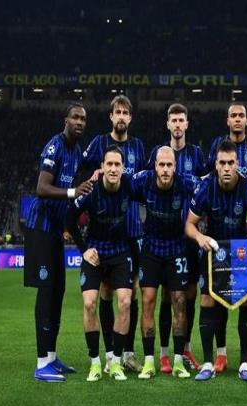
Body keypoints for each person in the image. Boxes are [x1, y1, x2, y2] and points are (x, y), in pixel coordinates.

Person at [24, 103, 93, 382]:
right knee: (46, 292)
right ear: (66, 120)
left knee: (58, 291)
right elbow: (42, 188)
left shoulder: (77, 151)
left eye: (83, 119)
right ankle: (42, 364)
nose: (79, 122)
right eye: (75, 117)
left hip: (54, 230)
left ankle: (52, 357)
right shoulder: (55, 146)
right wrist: (73, 192)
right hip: (40, 227)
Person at [185, 140, 247, 381]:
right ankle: (208, 364)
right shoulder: (205, 188)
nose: (227, 168)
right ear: (216, 165)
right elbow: (189, 224)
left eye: (231, 163)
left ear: (237, 164)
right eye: (222, 163)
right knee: (207, 301)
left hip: (239, 252)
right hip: (214, 252)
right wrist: (200, 237)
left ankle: (245, 363)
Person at [82, 95, 145, 374]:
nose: (121, 116)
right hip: (107, 232)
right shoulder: (98, 143)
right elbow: (82, 172)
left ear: (130, 118)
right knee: (106, 293)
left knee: (132, 293)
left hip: (133, 230)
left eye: (125, 112)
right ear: (111, 116)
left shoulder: (138, 146)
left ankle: (127, 353)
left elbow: (142, 183)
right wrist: (92, 174)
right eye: (117, 112)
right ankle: (110, 354)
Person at [66, 146, 137, 382]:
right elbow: (69, 218)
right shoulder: (91, 190)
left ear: (123, 168)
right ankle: (95, 362)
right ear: (102, 167)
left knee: (125, 302)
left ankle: (115, 362)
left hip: (120, 251)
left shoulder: (130, 185)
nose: (113, 169)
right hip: (95, 252)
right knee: (89, 304)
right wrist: (84, 250)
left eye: (117, 165)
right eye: (110, 164)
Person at [146, 103, 206, 373]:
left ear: (187, 124)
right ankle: (163, 354)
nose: (178, 124)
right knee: (167, 297)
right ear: (168, 124)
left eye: (182, 120)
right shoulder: (158, 153)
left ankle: (186, 349)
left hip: (189, 239)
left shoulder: (196, 154)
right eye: (174, 120)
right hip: (164, 240)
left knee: (188, 295)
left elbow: (204, 186)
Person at [206, 103, 247, 374]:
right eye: (233, 115)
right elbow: (209, 178)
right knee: (219, 296)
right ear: (227, 120)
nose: (238, 119)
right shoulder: (217, 146)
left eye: (242, 115)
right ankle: (220, 354)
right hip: (221, 238)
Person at [133, 146, 199, 379]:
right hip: (151, 248)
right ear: (155, 166)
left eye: (169, 165)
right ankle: (150, 361)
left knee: (179, 300)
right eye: (161, 165)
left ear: (175, 167)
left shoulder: (186, 183)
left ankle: (178, 361)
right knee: (148, 300)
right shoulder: (142, 181)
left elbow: (209, 185)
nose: (165, 169)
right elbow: (119, 185)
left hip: (176, 248)